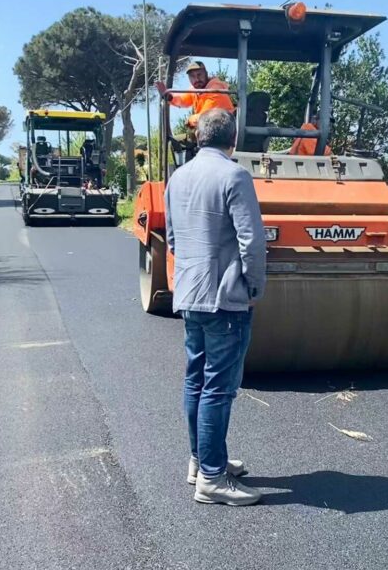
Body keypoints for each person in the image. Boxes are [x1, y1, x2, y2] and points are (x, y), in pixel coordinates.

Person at [164, 109, 266, 506]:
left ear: (197, 138)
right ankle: (211, 479)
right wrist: (254, 286)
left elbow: (172, 238)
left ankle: (201, 461)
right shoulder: (234, 175)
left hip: (190, 294)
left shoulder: (178, 177)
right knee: (219, 389)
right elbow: (252, 242)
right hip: (225, 298)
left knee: (196, 380)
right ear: (233, 139)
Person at [156, 61, 235, 129]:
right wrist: (169, 97)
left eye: (199, 75)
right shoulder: (196, 89)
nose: (196, 79)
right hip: (210, 128)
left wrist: (190, 120)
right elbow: (183, 100)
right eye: (192, 76)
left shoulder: (215, 90)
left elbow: (205, 118)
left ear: (206, 74)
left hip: (225, 129)